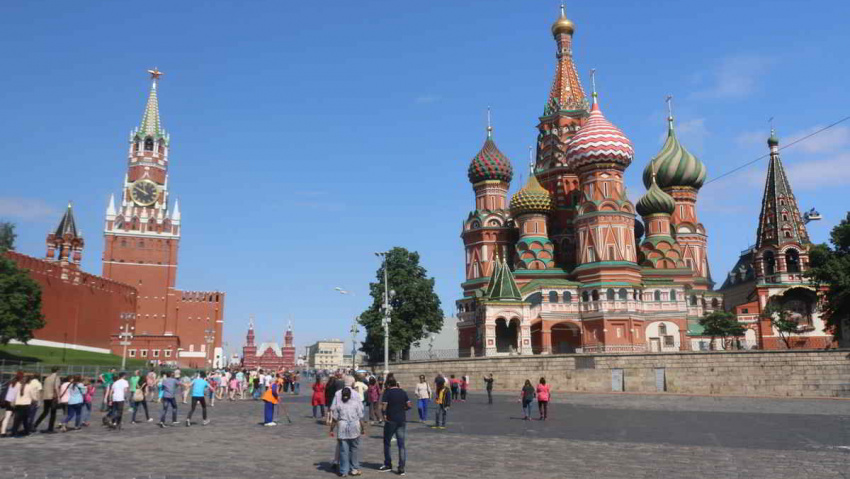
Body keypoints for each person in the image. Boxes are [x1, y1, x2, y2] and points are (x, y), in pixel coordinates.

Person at [329, 385, 364, 477]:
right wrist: (363, 429)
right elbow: (360, 418)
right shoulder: (356, 404)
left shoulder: (339, 405)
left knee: (343, 451)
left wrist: (331, 429)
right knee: (354, 449)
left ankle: (344, 471)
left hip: (342, 428)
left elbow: (334, 420)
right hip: (355, 427)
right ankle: (354, 469)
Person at [379, 378, 411, 475]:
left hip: (391, 420)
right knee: (401, 445)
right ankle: (401, 468)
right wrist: (402, 409)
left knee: (387, 442)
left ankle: (388, 464)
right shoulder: (403, 392)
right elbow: (409, 405)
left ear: (388, 385)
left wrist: (384, 414)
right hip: (401, 420)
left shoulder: (388, 393)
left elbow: (384, 406)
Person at [33, 366, 60, 433]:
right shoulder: (56, 378)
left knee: (45, 412)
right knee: (53, 413)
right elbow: (56, 388)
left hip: (46, 397)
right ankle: (50, 428)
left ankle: (35, 425)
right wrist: (59, 397)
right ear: (57, 371)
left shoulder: (47, 378)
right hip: (52, 397)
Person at [1, 372, 23, 437]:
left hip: (7, 401)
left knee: (7, 417)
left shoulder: (11, 383)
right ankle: (14, 431)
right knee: (17, 418)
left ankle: (3, 432)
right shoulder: (19, 385)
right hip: (14, 402)